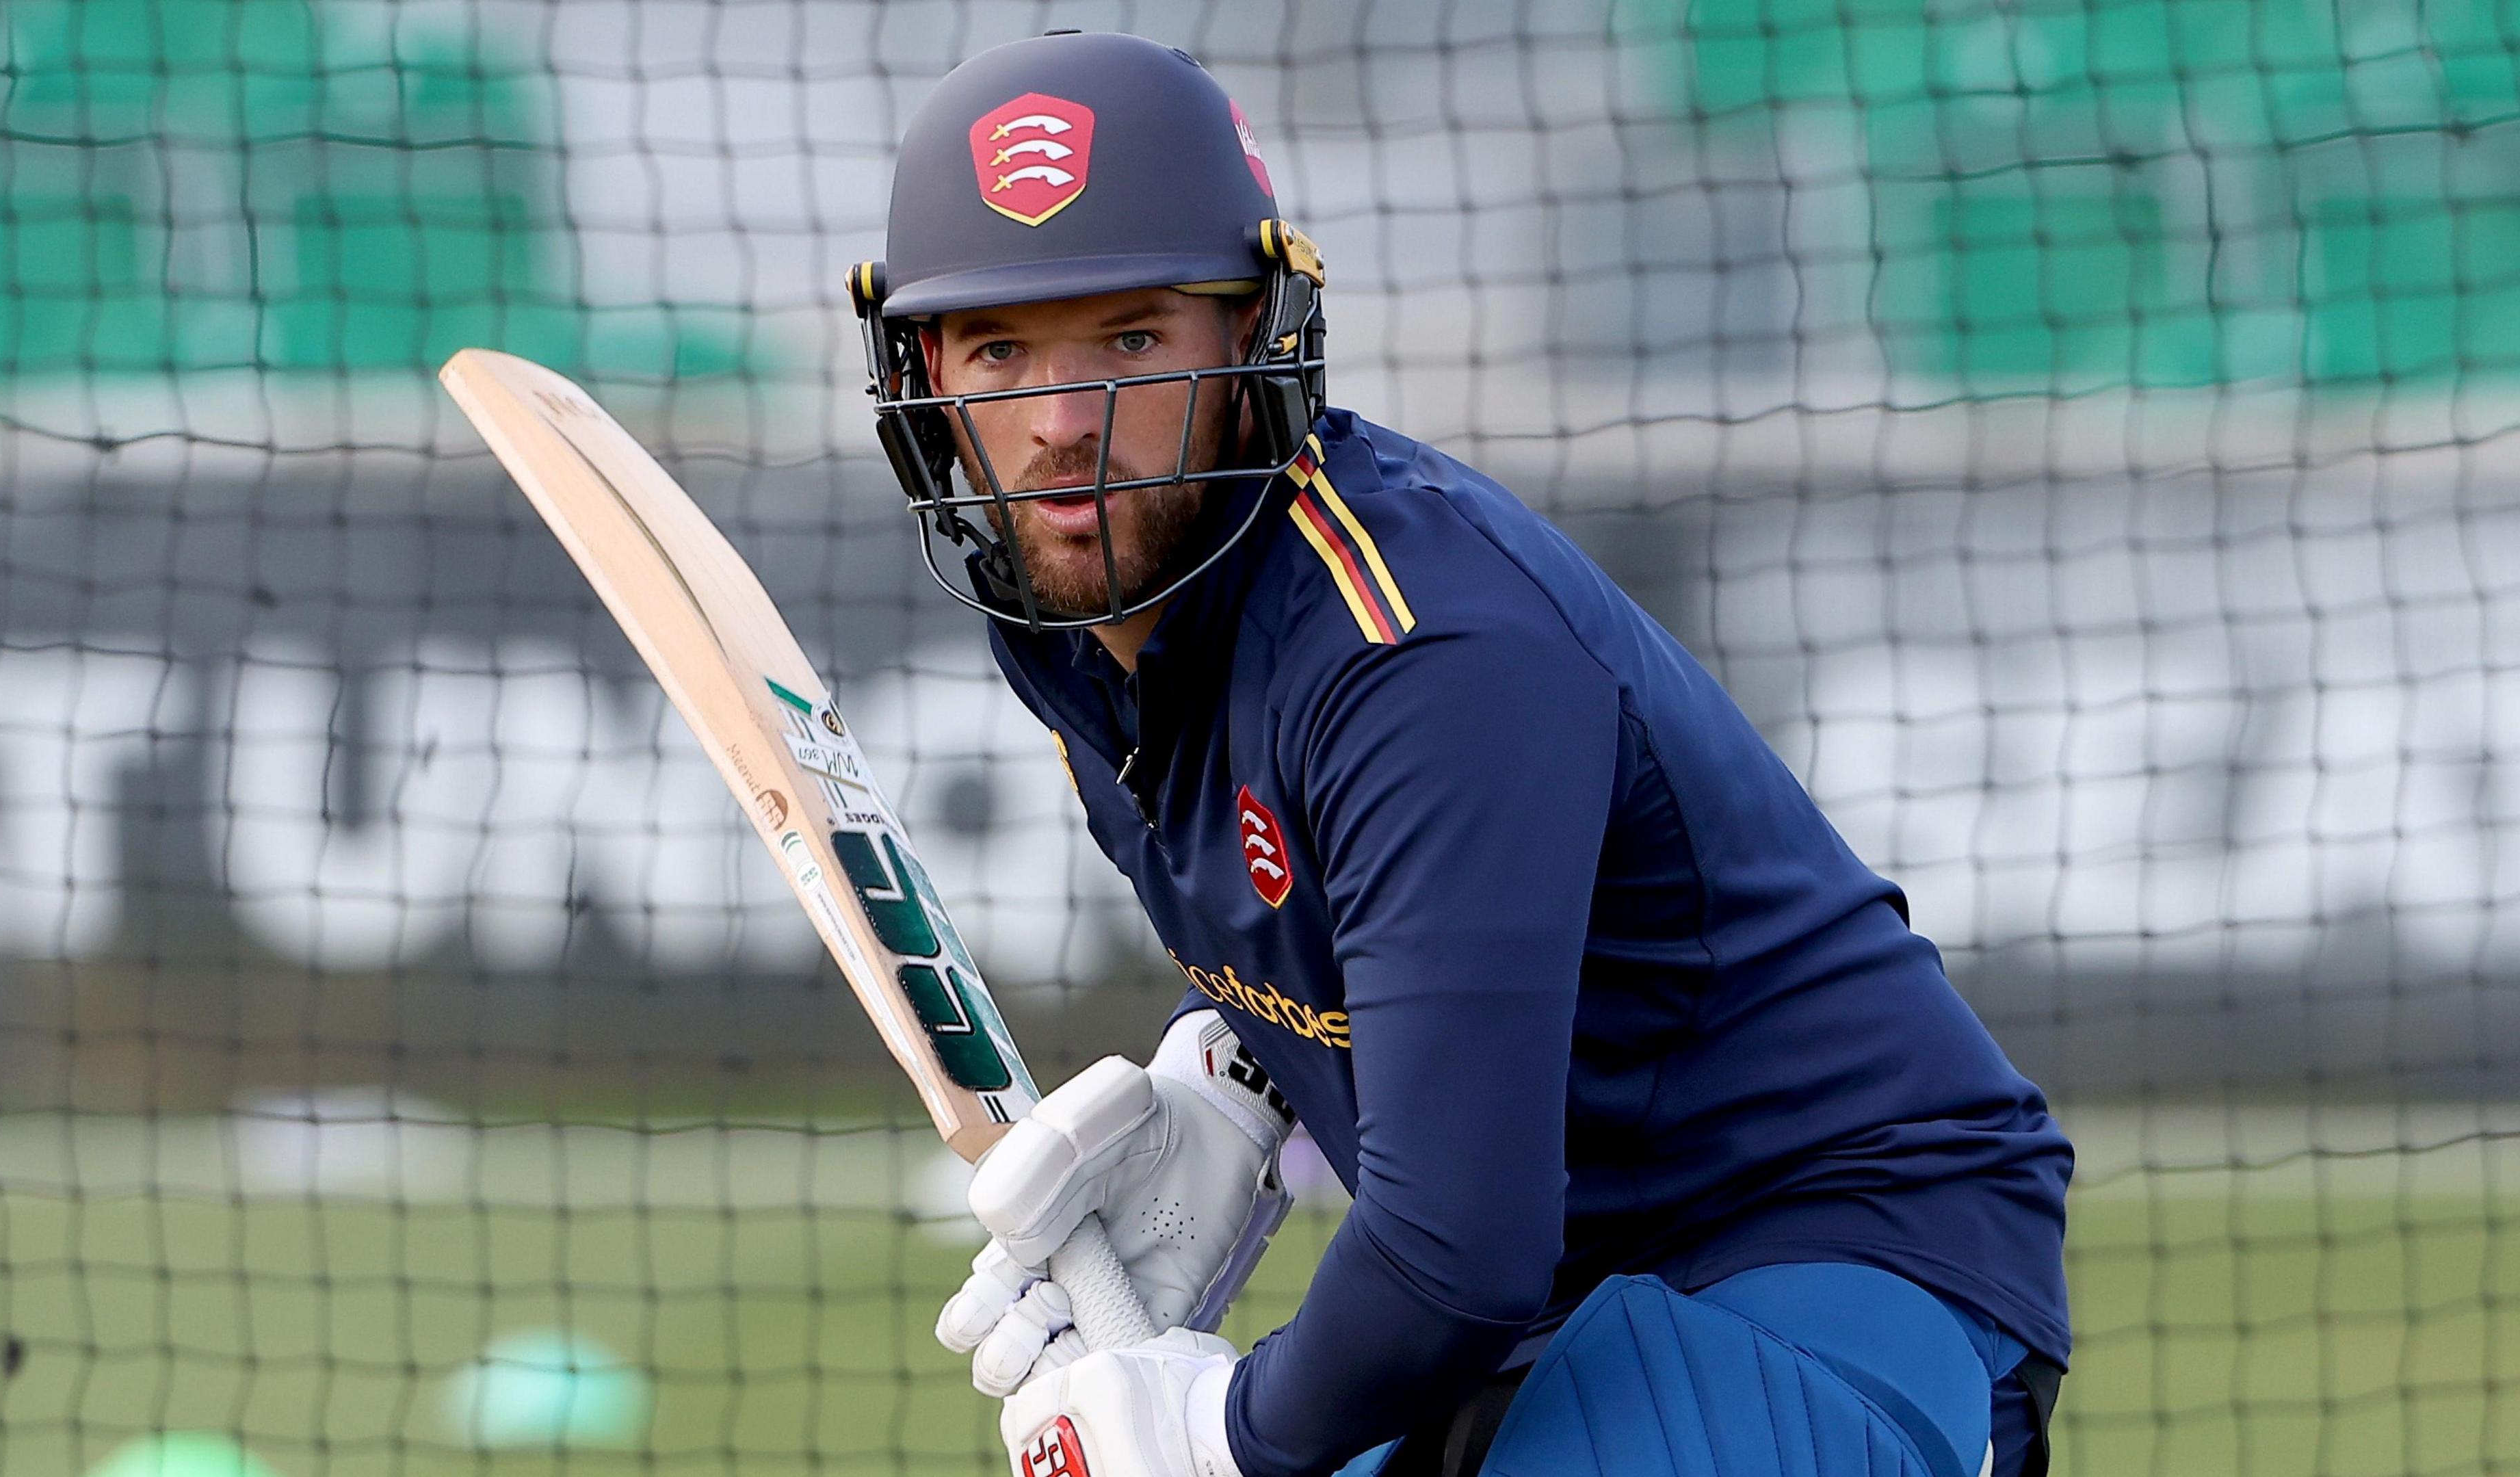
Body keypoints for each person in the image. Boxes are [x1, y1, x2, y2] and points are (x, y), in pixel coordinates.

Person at [846, 29, 2071, 1477]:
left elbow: (1455, 1252)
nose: (1061, 427)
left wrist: (1214, 1432)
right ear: (925, 373)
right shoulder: (1073, 628)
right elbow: (1357, 913)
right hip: (1562, 1295)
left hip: (1841, 1262)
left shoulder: (1418, 651)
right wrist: (1228, 1083)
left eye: (1130, 340)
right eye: (1000, 349)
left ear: (1248, 342)